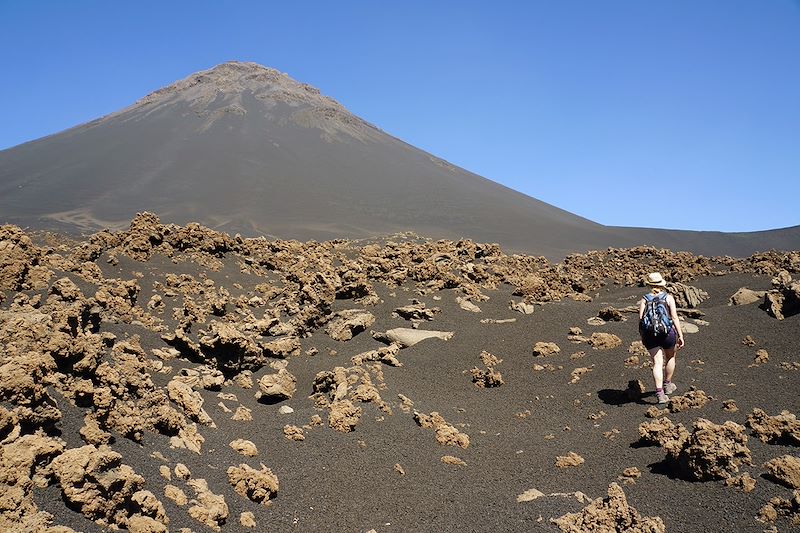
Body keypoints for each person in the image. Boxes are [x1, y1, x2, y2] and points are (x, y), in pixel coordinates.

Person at [638, 272, 684, 404]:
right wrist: (680, 335)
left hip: (650, 335)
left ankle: (660, 393)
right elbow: (674, 317)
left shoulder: (644, 299)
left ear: (649, 285)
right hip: (667, 333)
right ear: (661, 285)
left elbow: (641, 320)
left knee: (657, 363)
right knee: (670, 357)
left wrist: (643, 336)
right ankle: (668, 385)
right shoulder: (668, 298)